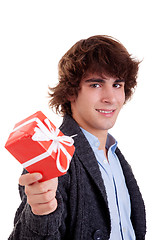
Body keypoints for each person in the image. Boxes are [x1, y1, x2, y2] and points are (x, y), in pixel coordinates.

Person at [9, 35, 146, 240]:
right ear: (72, 91)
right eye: (96, 84)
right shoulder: (53, 153)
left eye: (117, 84)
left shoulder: (116, 156)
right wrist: (40, 213)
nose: (110, 98)